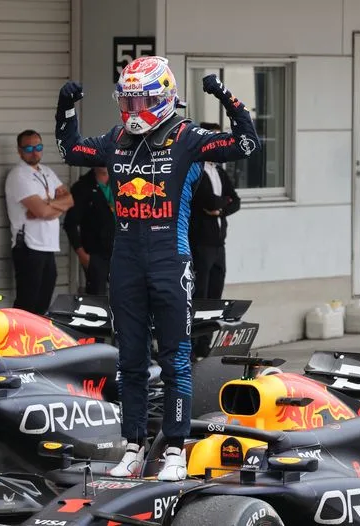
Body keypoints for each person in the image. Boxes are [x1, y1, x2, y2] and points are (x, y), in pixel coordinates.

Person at [55, 55, 259, 481]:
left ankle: (176, 450)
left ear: (164, 98)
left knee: (175, 360)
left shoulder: (187, 137)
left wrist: (225, 94)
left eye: (139, 102)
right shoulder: (115, 139)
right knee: (128, 360)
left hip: (171, 258)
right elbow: (71, 148)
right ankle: (132, 446)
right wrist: (66, 107)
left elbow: (247, 143)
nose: (130, 112)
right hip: (126, 260)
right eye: (126, 102)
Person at [5, 129, 74, 314]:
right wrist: (50, 208)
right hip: (29, 246)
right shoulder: (19, 175)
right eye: (28, 148)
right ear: (19, 151)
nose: (34, 152)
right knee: (27, 302)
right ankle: (17, 341)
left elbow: (70, 200)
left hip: (48, 245)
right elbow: (42, 211)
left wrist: (48, 204)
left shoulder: (47, 172)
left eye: (38, 147)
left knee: (43, 303)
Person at [189, 122, 241, 302]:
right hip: (200, 242)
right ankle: (198, 330)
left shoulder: (219, 170)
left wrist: (220, 210)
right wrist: (222, 202)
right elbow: (209, 201)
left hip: (219, 242)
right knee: (200, 292)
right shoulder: (196, 170)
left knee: (216, 291)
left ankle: (210, 329)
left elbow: (236, 201)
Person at [63, 166, 116, 295]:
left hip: (122, 252)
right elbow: (70, 224)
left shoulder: (121, 182)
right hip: (96, 254)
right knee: (97, 299)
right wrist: (82, 255)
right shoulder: (82, 187)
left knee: (125, 296)